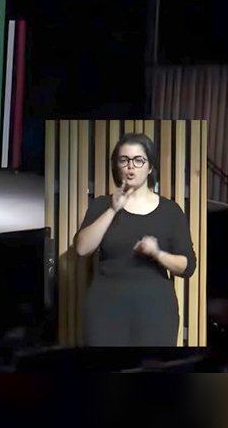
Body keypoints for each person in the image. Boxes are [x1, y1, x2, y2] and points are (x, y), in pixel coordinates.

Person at [74, 133, 197, 346]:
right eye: (124, 160)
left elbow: (188, 266)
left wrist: (157, 254)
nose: (131, 167)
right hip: (105, 309)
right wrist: (113, 209)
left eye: (138, 160)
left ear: (150, 167)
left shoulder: (171, 211)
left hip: (156, 312)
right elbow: (82, 248)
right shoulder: (102, 205)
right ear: (117, 166)